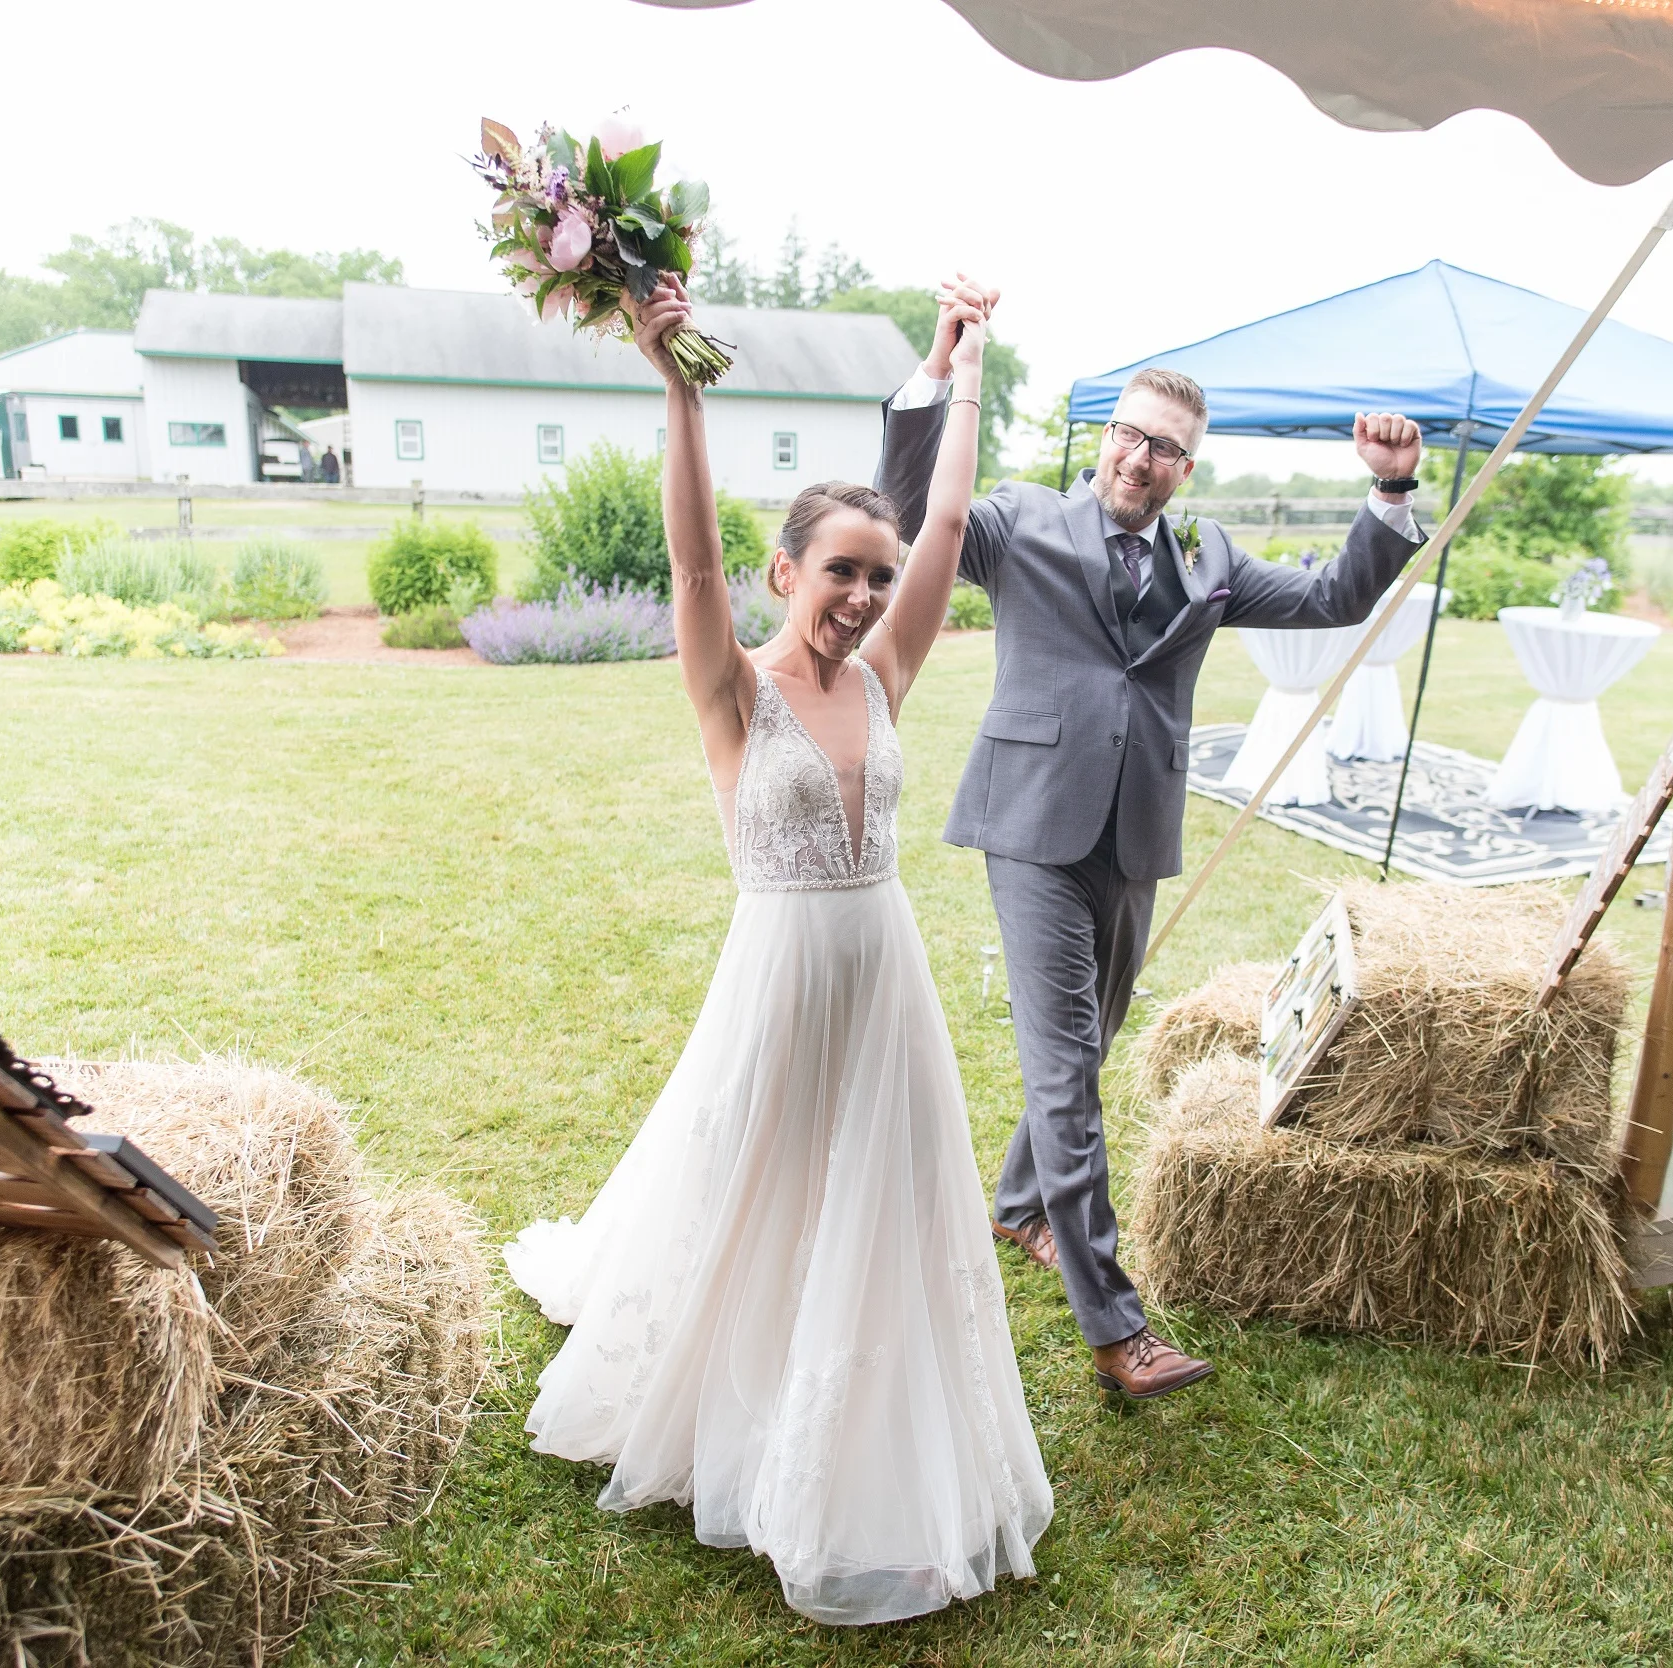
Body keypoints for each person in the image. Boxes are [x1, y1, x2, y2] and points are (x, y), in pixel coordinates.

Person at [504, 274, 1051, 1626]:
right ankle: (727, 1381)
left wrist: (965, 369)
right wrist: (678, 387)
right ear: (784, 573)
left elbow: (948, 521)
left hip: (885, 980)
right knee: (754, 1179)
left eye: (877, 576)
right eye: (839, 571)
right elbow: (690, 561)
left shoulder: (885, 676)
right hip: (781, 979)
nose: (862, 595)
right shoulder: (734, 692)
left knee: (881, 1198)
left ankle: (862, 1423)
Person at [875, 278, 1426, 1401]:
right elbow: (908, 506)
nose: (1140, 458)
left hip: (1135, 832)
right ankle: (1116, 1329)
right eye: (1129, 434)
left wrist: (1389, 490)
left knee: (1092, 1036)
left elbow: (1334, 598)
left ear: (1187, 467)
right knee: (1065, 1070)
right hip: (1031, 823)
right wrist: (938, 371)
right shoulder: (1018, 522)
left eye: (1166, 448)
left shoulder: (1208, 562)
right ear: (1105, 437)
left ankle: (1021, 1205)